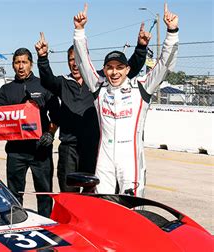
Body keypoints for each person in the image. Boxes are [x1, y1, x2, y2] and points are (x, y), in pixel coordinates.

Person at [73, 3, 179, 196]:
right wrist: (79, 31)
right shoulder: (99, 87)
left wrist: (172, 32)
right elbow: (83, 62)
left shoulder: (141, 87)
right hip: (104, 158)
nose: (114, 72)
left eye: (119, 67)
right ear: (104, 70)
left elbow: (164, 65)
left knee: (132, 207)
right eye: (110, 67)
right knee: (103, 204)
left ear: (127, 69)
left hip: (130, 159)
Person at [36, 26, 150, 192]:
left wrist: (140, 47)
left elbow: (128, 69)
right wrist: (43, 58)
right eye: (70, 60)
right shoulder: (62, 82)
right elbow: (47, 80)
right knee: (69, 195)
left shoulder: (99, 81)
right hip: (69, 148)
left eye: (77, 59)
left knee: (93, 194)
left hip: (94, 148)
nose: (75, 64)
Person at [0, 48, 59, 217]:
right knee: (14, 194)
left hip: (40, 150)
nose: (21, 66)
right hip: (16, 152)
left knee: (44, 194)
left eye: (24, 62)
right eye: (17, 62)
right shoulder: (6, 89)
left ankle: (45, 225)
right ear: (13, 65)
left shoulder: (43, 85)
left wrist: (50, 134)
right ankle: (17, 224)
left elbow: (56, 115)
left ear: (31, 64)